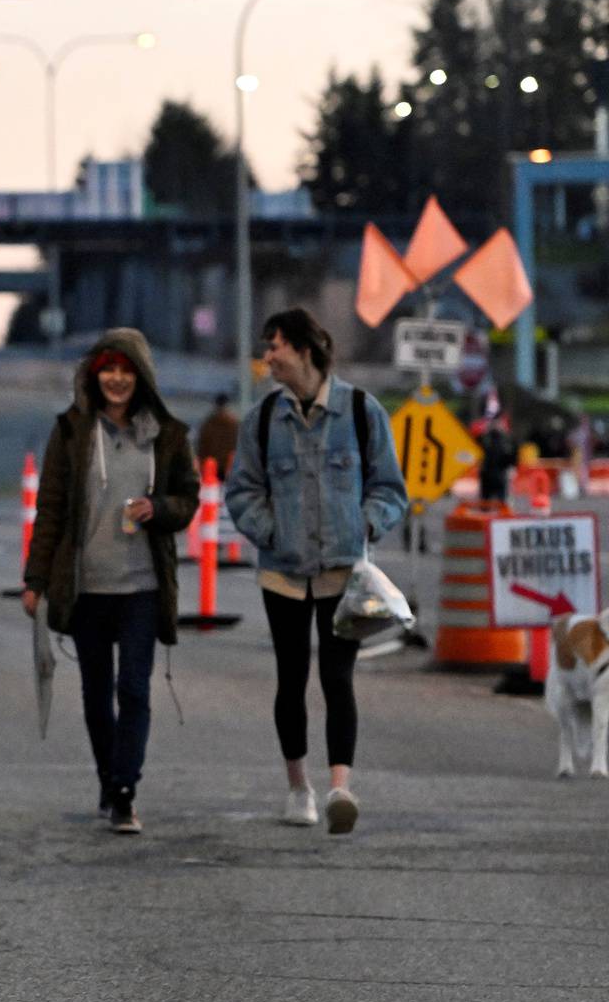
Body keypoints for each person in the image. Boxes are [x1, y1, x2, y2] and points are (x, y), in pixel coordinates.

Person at [225, 308, 407, 835]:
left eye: (275, 346)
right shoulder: (261, 420)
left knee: (337, 678)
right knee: (291, 678)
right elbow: (242, 492)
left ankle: (339, 790)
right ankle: (297, 788)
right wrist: (272, 531)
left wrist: (365, 527)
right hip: (282, 573)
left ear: (304, 349)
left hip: (342, 575)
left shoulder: (359, 411)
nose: (267, 357)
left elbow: (389, 489)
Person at [21, 329, 200, 835]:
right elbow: (50, 510)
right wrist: (35, 581)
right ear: (94, 374)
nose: (117, 379)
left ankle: (125, 790)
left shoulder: (167, 433)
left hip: (142, 586)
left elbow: (189, 499)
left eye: (126, 370)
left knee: (134, 688)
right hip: (86, 587)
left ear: (140, 376)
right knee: (97, 692)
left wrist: (158, 508)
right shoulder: (72, 432)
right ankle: (107, 778)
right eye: (108, 369)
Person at [196, 393, 240, 482]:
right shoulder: (233, 424)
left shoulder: (208, 423)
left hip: (211, 465)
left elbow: (201, 446)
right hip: (227, 465)